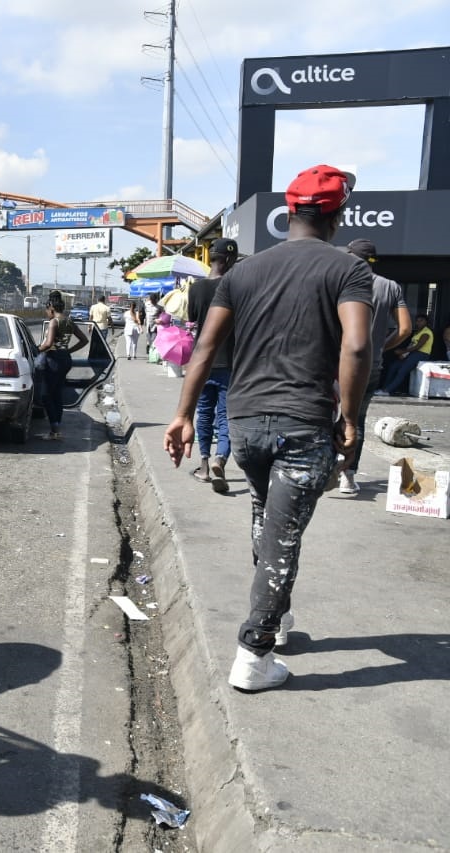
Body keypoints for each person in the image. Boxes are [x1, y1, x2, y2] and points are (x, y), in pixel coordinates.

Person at [163, 163, 371, 692]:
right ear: (337, 213)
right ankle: (254, 653)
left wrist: (183, 414)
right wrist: (349, 417)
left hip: (247, 424)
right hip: (302, 425)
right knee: (283, 536)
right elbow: (355, 345)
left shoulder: (242, 273)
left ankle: (276, 616)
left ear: (290, 212)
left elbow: (204, 348)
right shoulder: (348, 271)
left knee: (268, 518)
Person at [336, 238, 410, 496]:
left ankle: (322, 469)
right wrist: (382, 347)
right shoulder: (390, 287)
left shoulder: (341, 282)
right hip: (371, 366)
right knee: (356, 420)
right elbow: (404, 329)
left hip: (337, 364)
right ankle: (348, 475)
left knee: (324, 415)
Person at [188, 237, 239, 493]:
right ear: (229, 259)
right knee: (225, 415)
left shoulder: (196, 288)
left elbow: (192, 320)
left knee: (204, 414)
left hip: (202, 363)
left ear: (211, 257)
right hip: (229, 363)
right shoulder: (236, 286)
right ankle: (222, 458)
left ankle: (205, 466)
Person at [36, 290, 89, 441]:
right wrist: (68, 350)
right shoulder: (69, 321)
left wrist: (35, 349)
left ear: (51, 308)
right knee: (57, 394)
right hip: (65, 359)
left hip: (53, 360)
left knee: (46, 396)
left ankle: (55, 430)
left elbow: (48, 344)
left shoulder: (54, 322)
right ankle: (56, 429)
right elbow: (84, 340)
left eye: (47, 310)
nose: (47, 313)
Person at [377, 313, 434, 396]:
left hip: (421, 354)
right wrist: (404, 354)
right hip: (412, 353)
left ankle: (387, 391)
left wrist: (403, 352)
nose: (418, 323)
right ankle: (384, 388)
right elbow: (412, 345)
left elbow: (418, 346)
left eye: (421, 321)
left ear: (426, 322)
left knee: (402, 371)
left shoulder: (426, 332)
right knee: (393, 367)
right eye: (417, 321)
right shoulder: (418, 332)